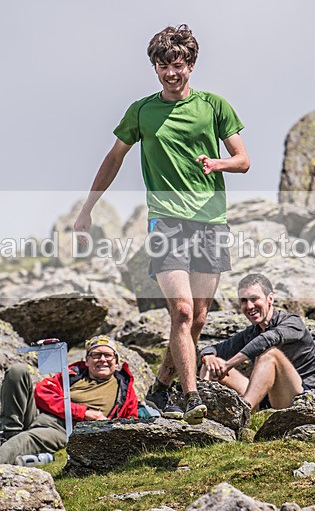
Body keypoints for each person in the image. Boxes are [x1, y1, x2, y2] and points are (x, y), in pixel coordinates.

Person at [73, 24, 250, 424]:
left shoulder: (214, 106)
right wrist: (88, 209)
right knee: (183, 312)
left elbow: (243, 160)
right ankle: (190, 397)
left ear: (190, 65)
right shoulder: (141, 111)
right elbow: (113, 158)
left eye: (180, 64)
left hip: (211, 222)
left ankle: (162, 383)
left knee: (199, 317)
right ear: (155, 67)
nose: (173, 72)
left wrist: (217, 163)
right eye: (164, 65)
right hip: (166, 223)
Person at [0, 335, 138, 471]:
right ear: (87, 360)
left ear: (116, 361)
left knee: (27, 439)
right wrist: (83, 412)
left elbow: (131, 422)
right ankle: (9, 436)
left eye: (108, 355)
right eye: (96, 355)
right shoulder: (73, 375)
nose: (102, 360)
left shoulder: (124, 387)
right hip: (40, 416)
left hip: (65, 430)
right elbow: (41, 392)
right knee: (18, 371)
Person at [199, 273, 315, 410]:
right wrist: (209, 357)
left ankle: (243, 413)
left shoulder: (292, 323)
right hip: (267, 399)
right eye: (244, 301)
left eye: (254, 299)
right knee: (213, 363)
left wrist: (229, 364)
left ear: (270, 299)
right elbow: (213, 348)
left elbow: (267, 340)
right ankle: (202, 411)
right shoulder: (251, 332)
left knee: (270, 354)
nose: (249, 306)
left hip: (303, 398)